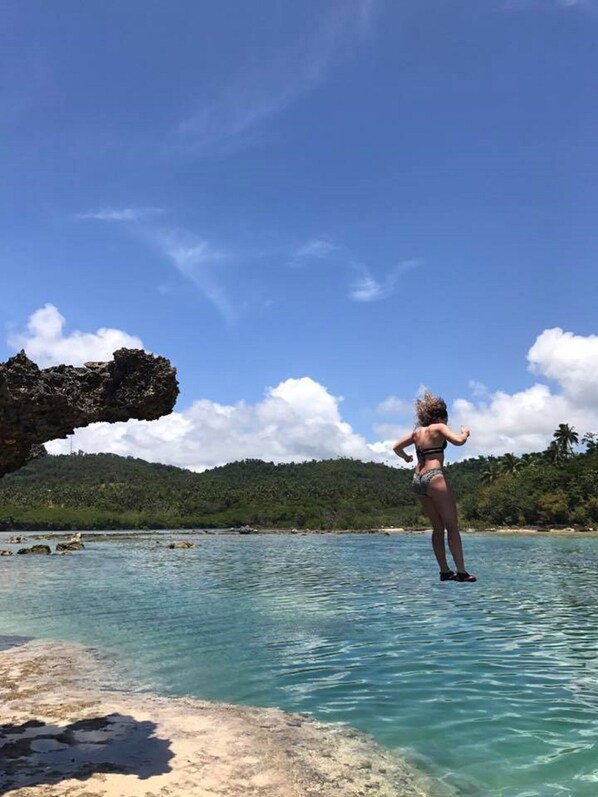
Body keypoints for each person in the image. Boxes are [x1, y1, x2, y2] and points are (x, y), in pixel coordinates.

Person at [392, 391, 476, 582]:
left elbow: (396, 447)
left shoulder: (417, 432)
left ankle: (444, 571)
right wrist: (465, 433)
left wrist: (406, 458)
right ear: (441, 417)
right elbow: (458, 441)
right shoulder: (439, 427)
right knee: (452, 526)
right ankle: (461, 572)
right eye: (446, 419)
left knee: (438, 528)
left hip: (417, 479)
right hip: (434, 477)